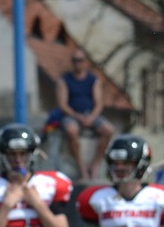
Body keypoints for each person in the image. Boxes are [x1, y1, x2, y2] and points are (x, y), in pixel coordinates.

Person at [45, 51, 115, 181]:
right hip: (72, 115)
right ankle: (82, 168)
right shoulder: (64, 80)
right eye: (75, 60)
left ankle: (95, 165)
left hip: (90, 114)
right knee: (71, 130)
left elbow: (99, 103)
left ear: (86, 62)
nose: (78, 63)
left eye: (80, 60)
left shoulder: (94, 80)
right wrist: (78, 117)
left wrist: (91, 117)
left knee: (108, 129)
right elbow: (63, 104)